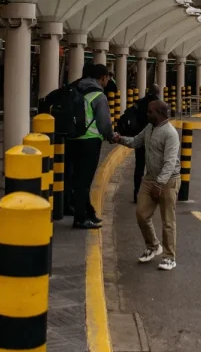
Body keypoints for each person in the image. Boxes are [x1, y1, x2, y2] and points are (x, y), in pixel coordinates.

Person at [115, 100, 180, 271]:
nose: (147, 114)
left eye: (150, 112)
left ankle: (169, 257)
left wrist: (159, 184)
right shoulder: (149, 128)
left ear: (160, 113)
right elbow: (136, 141)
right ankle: (153, 246)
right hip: (150, 177)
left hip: (167, 180)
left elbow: (170, 163)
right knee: (141, 213)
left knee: (168, 220)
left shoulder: (170, 134)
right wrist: (119, 139)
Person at [66, 64, 114, 229]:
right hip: (90, 140)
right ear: (102, 78)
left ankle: (89, 213)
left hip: (72, 139)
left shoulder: (75, 88)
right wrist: (110, 136)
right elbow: (104, 122)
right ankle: (80, 218)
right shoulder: (98, 95)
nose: (108, 81)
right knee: (84, 181)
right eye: (107, 78)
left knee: (77, 178)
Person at [126, 84, 162, 202]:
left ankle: (136, 193)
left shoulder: (139, 103)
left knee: (139, 167)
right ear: (158, 93)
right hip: (154, 139)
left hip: (140, 138)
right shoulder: (158, 105)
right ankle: (153, 193)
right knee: (155, 167)